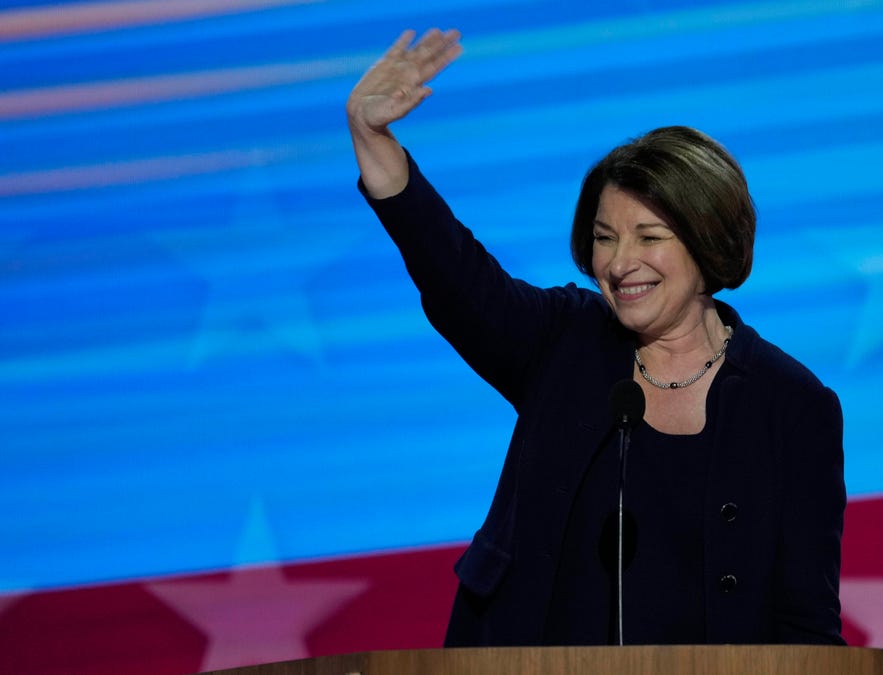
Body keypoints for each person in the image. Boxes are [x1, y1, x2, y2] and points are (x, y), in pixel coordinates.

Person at [347, 28, 846, 647]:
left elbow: (805, 622)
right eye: (605, 237)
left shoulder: (792, 405)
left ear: (708, 241)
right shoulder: (563, 340)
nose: (619, 262)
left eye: (649, 236)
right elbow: (455, 277)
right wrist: (373, 138)